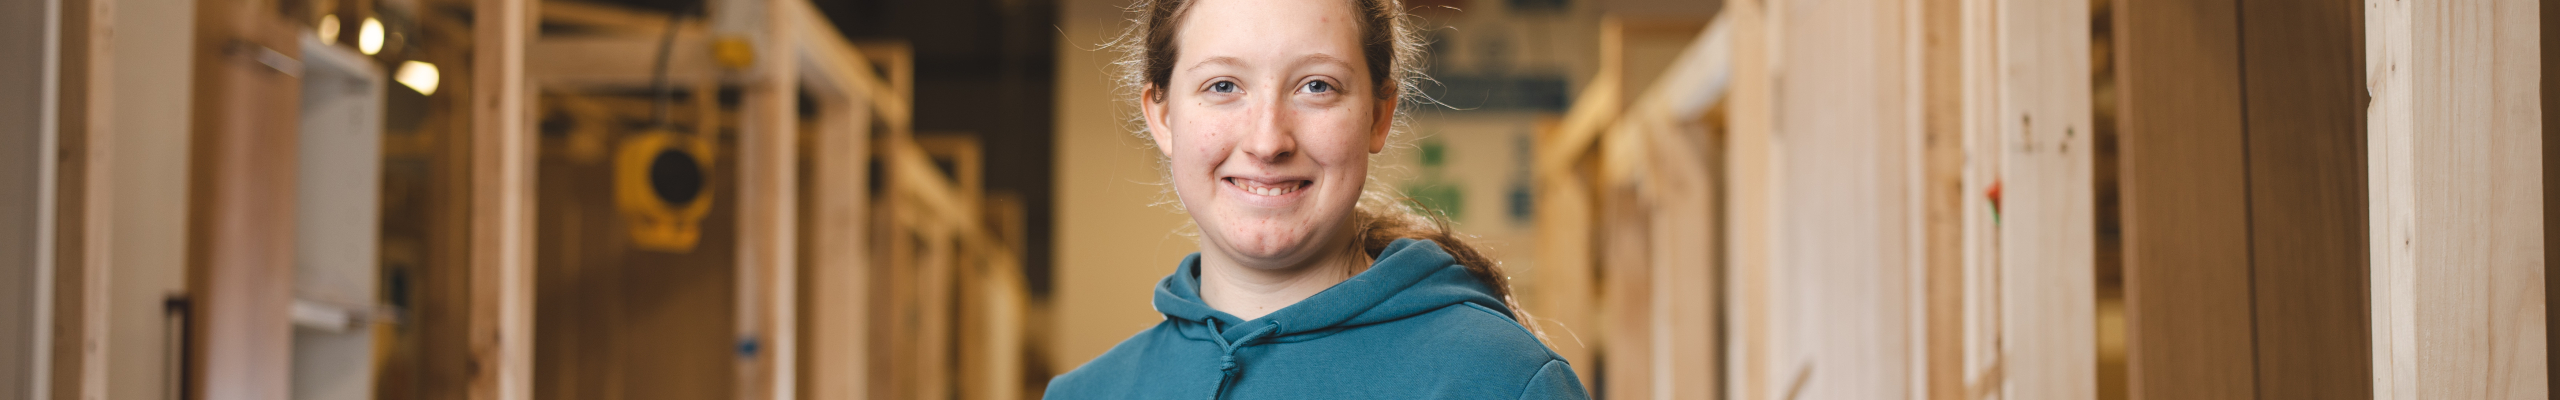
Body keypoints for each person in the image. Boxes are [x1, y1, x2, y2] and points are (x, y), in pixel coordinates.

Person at [1040, 0, 1590, 397]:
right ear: (1162, 115)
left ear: (1379, 114)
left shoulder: (1502, 379)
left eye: (1316, 86)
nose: (1267, 141)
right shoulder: (1083, 394)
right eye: (1224, 86)